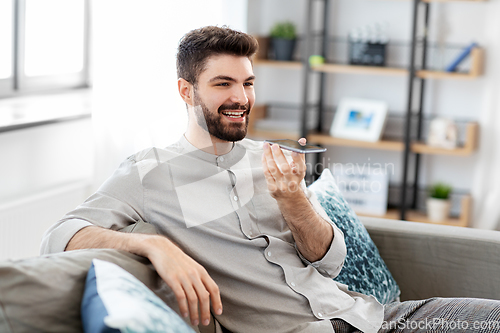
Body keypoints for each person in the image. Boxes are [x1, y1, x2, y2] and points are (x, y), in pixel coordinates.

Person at [41, 26, 500, 333]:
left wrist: (295, 202)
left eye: (248, 83)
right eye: (223, 84)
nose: (241, 98)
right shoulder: (148, 173)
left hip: (375, 318)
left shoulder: (273, 158)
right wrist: (155, 246)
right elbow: (58, 236)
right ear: (186, 90)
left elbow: (331, 262)